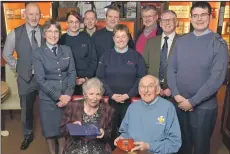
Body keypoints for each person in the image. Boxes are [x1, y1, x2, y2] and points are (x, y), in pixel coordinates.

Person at [167, 2, 229, 154]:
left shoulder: (218, 44)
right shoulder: (181, 42)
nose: (199, 19)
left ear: (210, 16)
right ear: (191, 17)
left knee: (201, 147)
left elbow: (216, 80)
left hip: (203, 108)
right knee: (181, 144)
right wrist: (176, 95)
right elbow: (171, 69)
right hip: (180, 104)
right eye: (195, 15)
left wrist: (192, 102)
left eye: (203, 15)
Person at [96, 24, 147, 149]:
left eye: (123, 36)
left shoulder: (136, 56)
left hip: (130, 101)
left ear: (128, 37)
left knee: (130, 132)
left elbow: (141, 78)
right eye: (117, 37)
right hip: (110, 101)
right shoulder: (106, 56)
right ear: (113, 38)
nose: (120, 39)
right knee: (110, 131)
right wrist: (111, 94)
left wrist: (129, 94)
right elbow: (99, 77)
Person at [2, 3, 44, 150]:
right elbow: (6, 54)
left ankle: (50, 133)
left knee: (48, 106)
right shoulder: (15, 33)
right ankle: (27, 135)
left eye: (37, 14)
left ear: (41, 15)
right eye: (30, 14)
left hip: (44, 78)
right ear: (25, 15)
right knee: (26, 109)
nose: (34, 17)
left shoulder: (46, 31)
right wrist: (18, 67)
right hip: (26, 79)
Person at [33, 19, 76, 154]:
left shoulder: (66, 50)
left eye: (56, 31)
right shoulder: (38, 53)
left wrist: (68, 95)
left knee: (62, 130)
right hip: (48, 99)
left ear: (59, 33)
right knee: (50, 131)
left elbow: (72, 72)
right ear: (44, 34)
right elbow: (40, 79)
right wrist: (59, 96)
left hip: (66, 97)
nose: (53, 35)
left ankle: (62, 152)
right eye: (49, 31)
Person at [114, 75, 181, 154]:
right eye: (142, 86)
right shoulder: (132, 107)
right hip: (132, 152)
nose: (146, 90)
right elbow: (125, 132)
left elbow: (174, 144)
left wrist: (149, 146)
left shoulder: (168, 107)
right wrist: (122, 138)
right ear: (139, 90)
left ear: (157, 89)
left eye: (150, 86)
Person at [60, 78, 114, 154]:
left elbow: (111, 134)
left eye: (98, 94)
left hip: (99, 146)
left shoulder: (108, 110)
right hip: (76, 145)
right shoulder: (73, 106)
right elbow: (62, 129)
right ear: (85, 94)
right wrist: (72, 126)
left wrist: (104, 133)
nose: (94, 98)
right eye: (91, 94)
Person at [59, 11, 97, 95]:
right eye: (71, 22)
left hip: (86, 82)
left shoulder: (86, 37)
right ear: (66, 23)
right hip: (67, 82)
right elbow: (58, 63)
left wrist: (86, 78)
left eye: (76, 22)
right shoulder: (62, 39)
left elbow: (93, 60)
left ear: (80, 23)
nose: (74, 24)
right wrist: (71, 79)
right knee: (70, 107)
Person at [143, 10, 179, 98]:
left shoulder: (183, 42)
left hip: (175, 94)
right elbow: (144, 67)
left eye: (170, 20)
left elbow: (185, 70)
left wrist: (172, 88)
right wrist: (154, 86)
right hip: (153, 92)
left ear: (176, 22)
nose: (166, 23)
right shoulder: (151, 42)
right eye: (163, 20)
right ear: (160, 23)